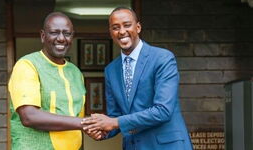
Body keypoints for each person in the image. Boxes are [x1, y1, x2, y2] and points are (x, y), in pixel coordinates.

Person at [82, 7, 193, 150]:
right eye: (115, 28)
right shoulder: (111, 70)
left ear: (138, 27)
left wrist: (113, 122)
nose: (122, 31)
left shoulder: (162, 58)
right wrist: (102, 131)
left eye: (127, 25)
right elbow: (116, 116)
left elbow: (163, 110)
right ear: (111, 33)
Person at [8, 12, 100, 150]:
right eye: (54, 33)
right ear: (43, 36)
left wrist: (86, 125)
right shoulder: (27, 65)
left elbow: (76, 123)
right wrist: (86, 123)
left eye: (67, 33)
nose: (61, 38)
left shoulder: (75, 73)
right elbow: (29, 116)